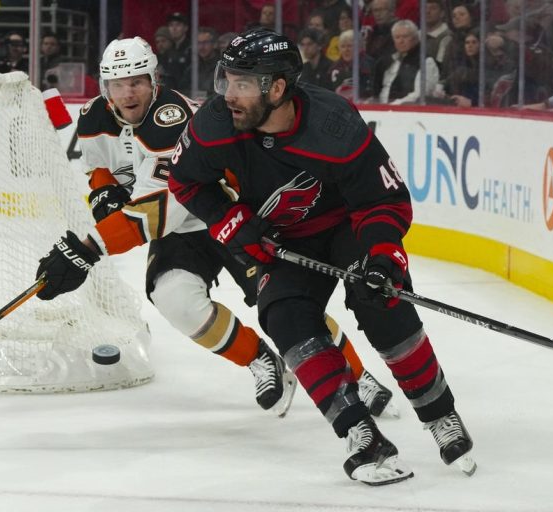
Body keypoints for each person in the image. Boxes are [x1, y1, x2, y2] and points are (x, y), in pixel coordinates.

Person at [166, 28, 476, 485]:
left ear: (277, 88)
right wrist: (230, 220)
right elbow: (185, 181)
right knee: (284, 316)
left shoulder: (334, 124)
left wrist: (382, 254)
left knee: (382, 299)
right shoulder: (215, 125)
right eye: (225, 80)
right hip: (281, 240)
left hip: (347, 226)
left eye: (242, 84)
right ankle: (360, 433)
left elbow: (382, 201)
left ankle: (438, 414)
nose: (227, 95)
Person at [33, 37, 397, 420]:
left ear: (153, 80)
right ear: (104, 86)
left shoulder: (170, 119)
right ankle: (260, 360)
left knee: (286, 302)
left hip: (229, 214)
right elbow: (98, 169)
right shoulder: (94, 117)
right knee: (174, 298)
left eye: (137, 81)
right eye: (117, 84)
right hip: (180, 233)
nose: (128, 92)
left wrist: (89, 248)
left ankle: (354, 375)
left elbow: (161, 210)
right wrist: (104, 193)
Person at [373, 20, 440, 104]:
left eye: (405, 37)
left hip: (406, 112)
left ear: (415, 38)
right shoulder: (385, 61)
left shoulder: (426, 62)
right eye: (397, 37)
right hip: (379, 110)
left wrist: (394, 105)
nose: (401, 41)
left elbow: (420, 95)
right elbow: (375, 90)